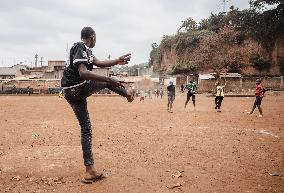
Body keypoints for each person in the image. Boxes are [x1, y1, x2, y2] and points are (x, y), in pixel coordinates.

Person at [60, 26, 134, 183]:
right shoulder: (80, 46)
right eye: (95, 38)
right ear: (92, 37)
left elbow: (99, 62)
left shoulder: (87, 51)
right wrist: (109, 79)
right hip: (77, 87)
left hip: (69, 92)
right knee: (107, 82)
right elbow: (83, 73)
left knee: (86, 128)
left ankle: (90, 171)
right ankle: (127, 94)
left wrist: (117, 60)